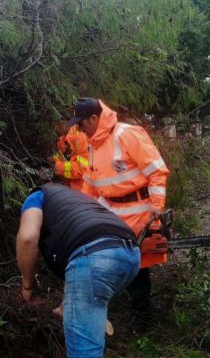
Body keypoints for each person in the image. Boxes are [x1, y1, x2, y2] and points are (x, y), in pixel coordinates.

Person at [65, 97, 169, 319]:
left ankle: (141, 315)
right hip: (113, 216)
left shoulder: (127, 134)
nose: (80, 130)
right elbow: (91, 186)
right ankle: (117, 306)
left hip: (140, 212)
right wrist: (80, 213)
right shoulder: (93, 144)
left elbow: (157, 171)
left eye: (81, 124)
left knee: (139, 267)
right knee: (114, 262)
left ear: (93, 118)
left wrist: (157, 207)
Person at [16, 183, 140, 357]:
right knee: (92, 305)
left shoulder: (37, 196)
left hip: (94, 257)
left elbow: (28, 238)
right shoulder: (79, 200)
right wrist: (67, 305)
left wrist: (27, 286)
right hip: (130, 255)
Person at [53, 125, 89, 190]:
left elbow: (82, 169)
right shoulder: (74, 139)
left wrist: (60, 167)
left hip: (82, 190)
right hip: (75, 188)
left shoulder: (81, 140)